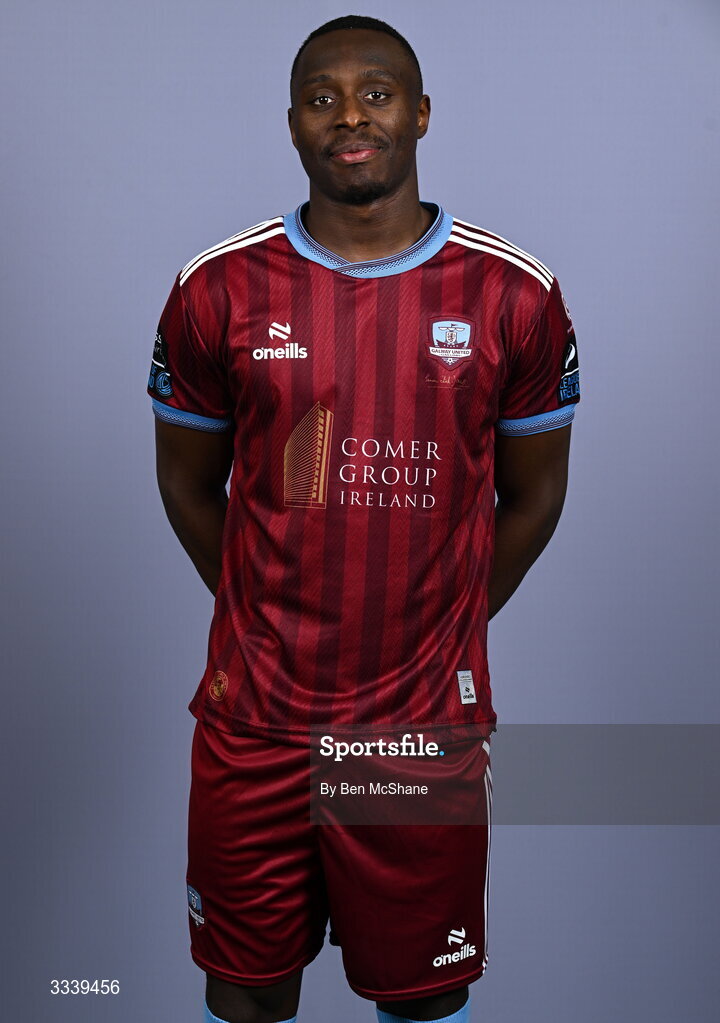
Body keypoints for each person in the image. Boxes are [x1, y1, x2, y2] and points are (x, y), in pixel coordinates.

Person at [148, 14, 581, 1023]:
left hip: (416, 728)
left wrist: (442, 622)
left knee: (422, 998)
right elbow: (186, 484)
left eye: (376, 94)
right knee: (247, 992)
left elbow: (536, 497)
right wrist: (266, 610)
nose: (350, 115)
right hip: (256, 718)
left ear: (421, 114)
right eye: (322, 98)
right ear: (292, 124)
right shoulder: (217, 287)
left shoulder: (515, 294)